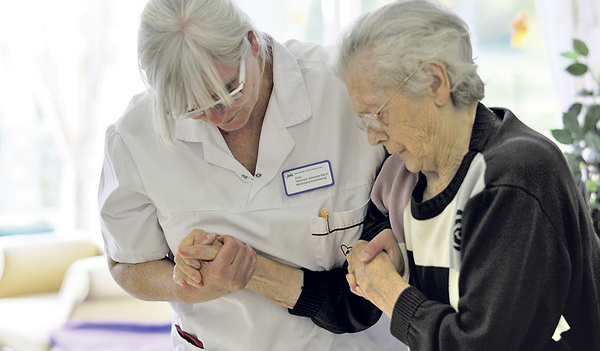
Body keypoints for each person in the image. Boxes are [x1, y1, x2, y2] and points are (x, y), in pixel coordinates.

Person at [98, 0, 410, 349]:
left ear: (251, 41)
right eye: (193, 108)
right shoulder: (135, 136)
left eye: (229, 89)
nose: (218, 115)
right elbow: (125, 263)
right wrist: (189, 284)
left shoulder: (341, 87)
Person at [335, 0, 600, 350]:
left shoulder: (514, 179)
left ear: (435, 82)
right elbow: (358, 284)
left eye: (378, 114)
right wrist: (389, 253)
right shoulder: (403, 176)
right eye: (363, 120)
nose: (372, 136)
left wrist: (391, 294)